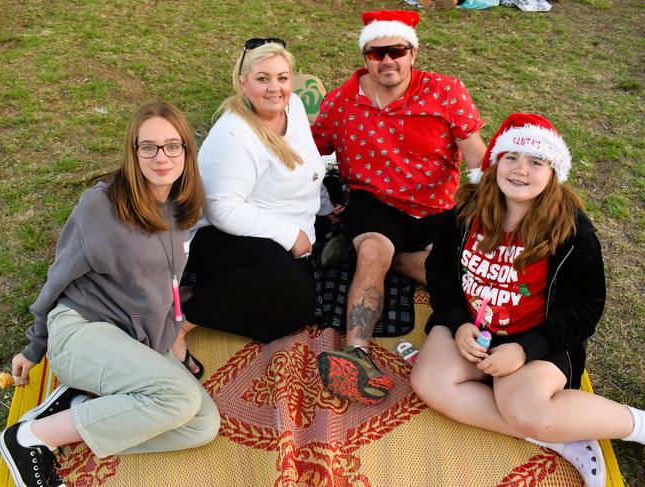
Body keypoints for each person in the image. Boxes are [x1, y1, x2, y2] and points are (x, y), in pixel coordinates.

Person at [409, 113, 645, 487]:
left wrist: (526, 349)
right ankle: (560, 437)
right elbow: (439, 271)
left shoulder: (572, 229)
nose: (521, 170)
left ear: (554, 172)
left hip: (538, 335)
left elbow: (585, 307)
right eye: (511, 158)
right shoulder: (467, 213)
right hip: (475, 326)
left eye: (536, 162)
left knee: (524, 408)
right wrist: (456, 323)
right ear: (495, 163)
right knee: (430, 384)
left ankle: (637, 424)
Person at [0, 102, 221, 487]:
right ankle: (28, 438)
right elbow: (57, 279)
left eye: (172, 146)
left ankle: (84, 411)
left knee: (203, 424)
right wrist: (34, 348)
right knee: (178, 399)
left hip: (133, 337)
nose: (161, 157)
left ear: (186, 150)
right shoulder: (101, 207)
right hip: (83, 329)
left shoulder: (180, 206)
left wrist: (172, 334)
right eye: (147, 146)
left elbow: (164, 283)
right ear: (133, 153)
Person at [312, 9, 487, 404]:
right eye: (377, 53)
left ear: (412, 53)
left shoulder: (445, 92)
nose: (388, 60)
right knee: (374, 250)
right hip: (375, 203)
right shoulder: (342, 102)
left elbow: (478, 158)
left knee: (458, 277)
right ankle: (354, 353)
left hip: (435, 208)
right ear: (365, 57)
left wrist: (505, 206)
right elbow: (307, 151)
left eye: (397, 50)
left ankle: (352, 251)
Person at [171, 39, 325, 371]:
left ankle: (210, 291)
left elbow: (307, 162)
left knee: (295, 299)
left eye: (282, 78)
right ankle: (182, 322)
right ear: (243, 82)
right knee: (295, 302)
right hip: (220, 235)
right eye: (263, 78)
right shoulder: (234, 134)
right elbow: (221, 209)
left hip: (279, 224)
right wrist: (291, 235)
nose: (275, 88)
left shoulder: (293, 107)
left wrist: (324, 204)